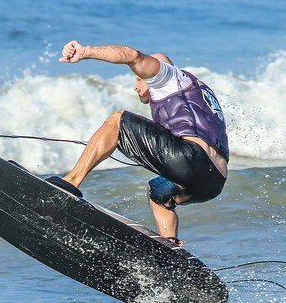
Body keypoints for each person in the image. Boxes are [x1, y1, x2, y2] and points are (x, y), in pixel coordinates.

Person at [47, 40, 229, 246]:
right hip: (213, 183)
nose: (136, 85)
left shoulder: (165, 77)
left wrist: (86, 52)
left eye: (138, 79)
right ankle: (170, 246)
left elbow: (132, 55)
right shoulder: (197, 91)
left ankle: (70, 182)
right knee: (159, 193)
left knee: (118, 120)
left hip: (192, 158)